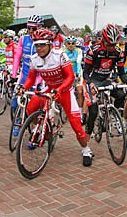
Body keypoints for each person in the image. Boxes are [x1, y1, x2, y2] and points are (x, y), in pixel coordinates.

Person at [18, 28, 93, 166]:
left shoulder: (60, 55)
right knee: (31, 107)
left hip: (64, 90)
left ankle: (86, 149)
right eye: (36, 45)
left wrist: (59, 90)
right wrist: (23, 88)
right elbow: (30, 79)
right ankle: (39, 130)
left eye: (42, 45)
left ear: (50, 45)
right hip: (49, 89)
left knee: (76, 126)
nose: (39, 48)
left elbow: (70, 77)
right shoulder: (34, 59)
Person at [83, 23, 127, 136]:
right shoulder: (93, 50)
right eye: (109, 44)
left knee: (121, 95)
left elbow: (121, 72)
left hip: (106, 79)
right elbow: (85, 72)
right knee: (93, 112)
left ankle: (114, 115)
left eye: (114, 44)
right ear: (103, 40)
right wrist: (90, 83)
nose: (112, 47)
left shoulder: (118, 52)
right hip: (92, 79)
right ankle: (87, 136)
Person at [64, 35, 83, 108]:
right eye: (69, 43)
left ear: (75, 44)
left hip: (77, 72)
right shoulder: (63, 51)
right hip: (68, 74)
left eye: (73, 43)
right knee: (68, 93)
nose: (71, 45)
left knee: (80, 92)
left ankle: (80, 111)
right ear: (66, 44)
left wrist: (77, 74)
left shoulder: (78, 51)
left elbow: (78, 62)